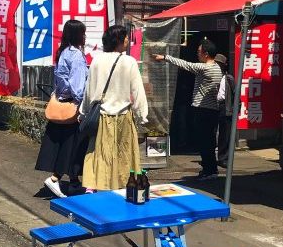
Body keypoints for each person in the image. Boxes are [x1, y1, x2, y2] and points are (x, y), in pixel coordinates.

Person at [81, 25, 148, 191]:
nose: (127, 40)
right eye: (125, 37)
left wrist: (84, 112)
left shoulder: (96, 60)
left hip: (102, 116)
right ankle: (121, 185)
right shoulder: (129, 61)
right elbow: (137, 91)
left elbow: (88, 89)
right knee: (123, 154)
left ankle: (95, 186)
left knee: (99, 152)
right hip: (123, 116)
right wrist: (142, 116)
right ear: (118, 40)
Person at [154, 38, 223, 179]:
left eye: (199, 52)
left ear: (206, 54)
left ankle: (209, 171)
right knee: (208, 141)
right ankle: (210, 169)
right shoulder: (217, 67)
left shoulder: (206, 68)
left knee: (205, 142)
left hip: (203, 109)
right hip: (211, 110)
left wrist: (165, 57)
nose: (197, 54)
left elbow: (185, 64)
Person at [35, 19, 89, 198]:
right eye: (83, 33)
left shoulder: (63, 52)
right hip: (71, 106)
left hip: (60, 102)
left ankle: (74, 182)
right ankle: (55, 179)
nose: (85, 36)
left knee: (61, 144)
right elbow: (78, 85)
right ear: (77, 35)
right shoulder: (76, 56)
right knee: (72, 145)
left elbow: (60, 80)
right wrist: (81, 103)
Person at [215, 54, 235, 168]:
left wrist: (236, 109)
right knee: (214, 133)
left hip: (225, 106)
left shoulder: (228, 78)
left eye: (219, 64)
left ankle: (224, 158)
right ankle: (217, 157)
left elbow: (235, 94)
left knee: (225, 134)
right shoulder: (213, 76)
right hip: (214, 105)